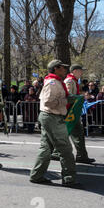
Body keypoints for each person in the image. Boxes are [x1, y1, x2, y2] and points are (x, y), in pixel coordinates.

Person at [30, 60, 82, 188]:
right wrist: (67, 99)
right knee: (65, 149)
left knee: (46, 148)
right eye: (62, 67)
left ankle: (36, 175)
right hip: (52, 117)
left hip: (50, 116)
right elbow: (48, 102)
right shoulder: (52, 83)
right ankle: (69, 178)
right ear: (55, 69)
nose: (65, 70)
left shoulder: (55, 81)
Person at [52, 64, 96, 163]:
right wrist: (81, 97)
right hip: (69, 111)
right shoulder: (69, 81)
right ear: (75, 71)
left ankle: (60, 153)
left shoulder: (74, 81)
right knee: (73, 133)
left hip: (72, 111)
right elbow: (68, 96)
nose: (82, 73)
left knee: (73, 133)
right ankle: (79, 156)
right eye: (80, 71)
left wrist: (81, 95)